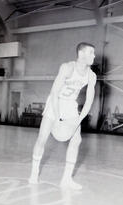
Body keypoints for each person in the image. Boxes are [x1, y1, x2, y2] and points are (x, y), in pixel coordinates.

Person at [29, 42, 97, 190]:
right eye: (91, 52)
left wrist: (77, 121)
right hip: (56, 102)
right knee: (42, 138)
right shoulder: (67, 67)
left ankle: (66, 179)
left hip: (70, 105)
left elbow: (88, 102)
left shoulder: (91, 75)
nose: (94, 55)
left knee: (77, 139)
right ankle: (34, 173)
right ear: (81, 54)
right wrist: (57, 118)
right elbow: (54, 93)